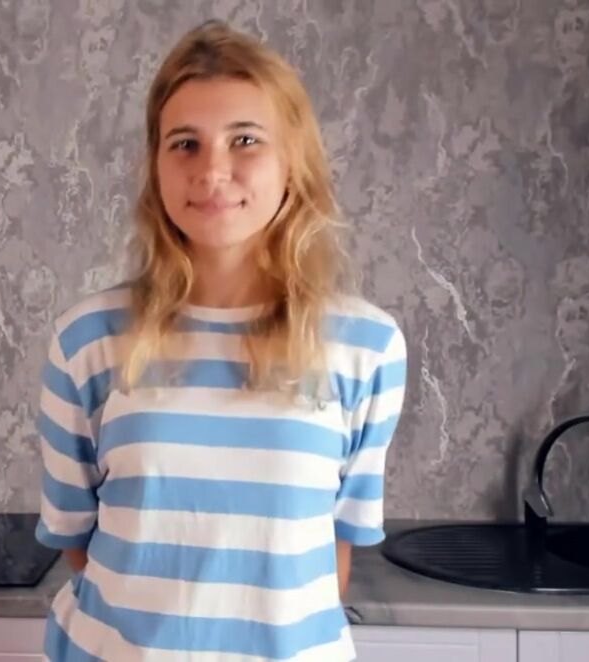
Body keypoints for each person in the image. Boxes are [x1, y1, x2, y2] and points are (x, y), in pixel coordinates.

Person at [34, 20, 408, 661]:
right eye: (185, 143)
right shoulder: (86, 342)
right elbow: (77, 542)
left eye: (245, 140)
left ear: (292, 162)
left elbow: (332, 554)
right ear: (156, 166)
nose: (212, 171)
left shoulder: (366, 347)